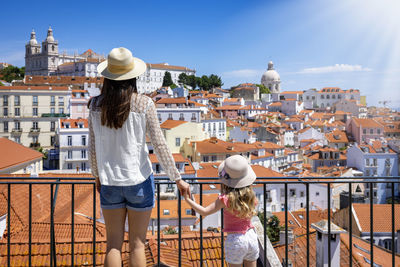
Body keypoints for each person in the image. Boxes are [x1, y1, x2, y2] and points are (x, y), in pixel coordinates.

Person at [88, 47, 190, 267]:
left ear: (108, 76)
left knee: (113, 245)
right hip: (139, 182)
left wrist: (97, 176)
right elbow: (160, 144)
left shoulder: (95, 105)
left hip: (110, 181)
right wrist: (177, 178)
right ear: (132, 75)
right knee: (137, 245)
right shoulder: (145, 104)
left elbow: (93, 146)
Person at [184, 155, 259, 267]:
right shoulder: (251, 196)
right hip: (251, 236)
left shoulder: (226, 199)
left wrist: (187, 199)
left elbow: (204, 211)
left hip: (236, 240)